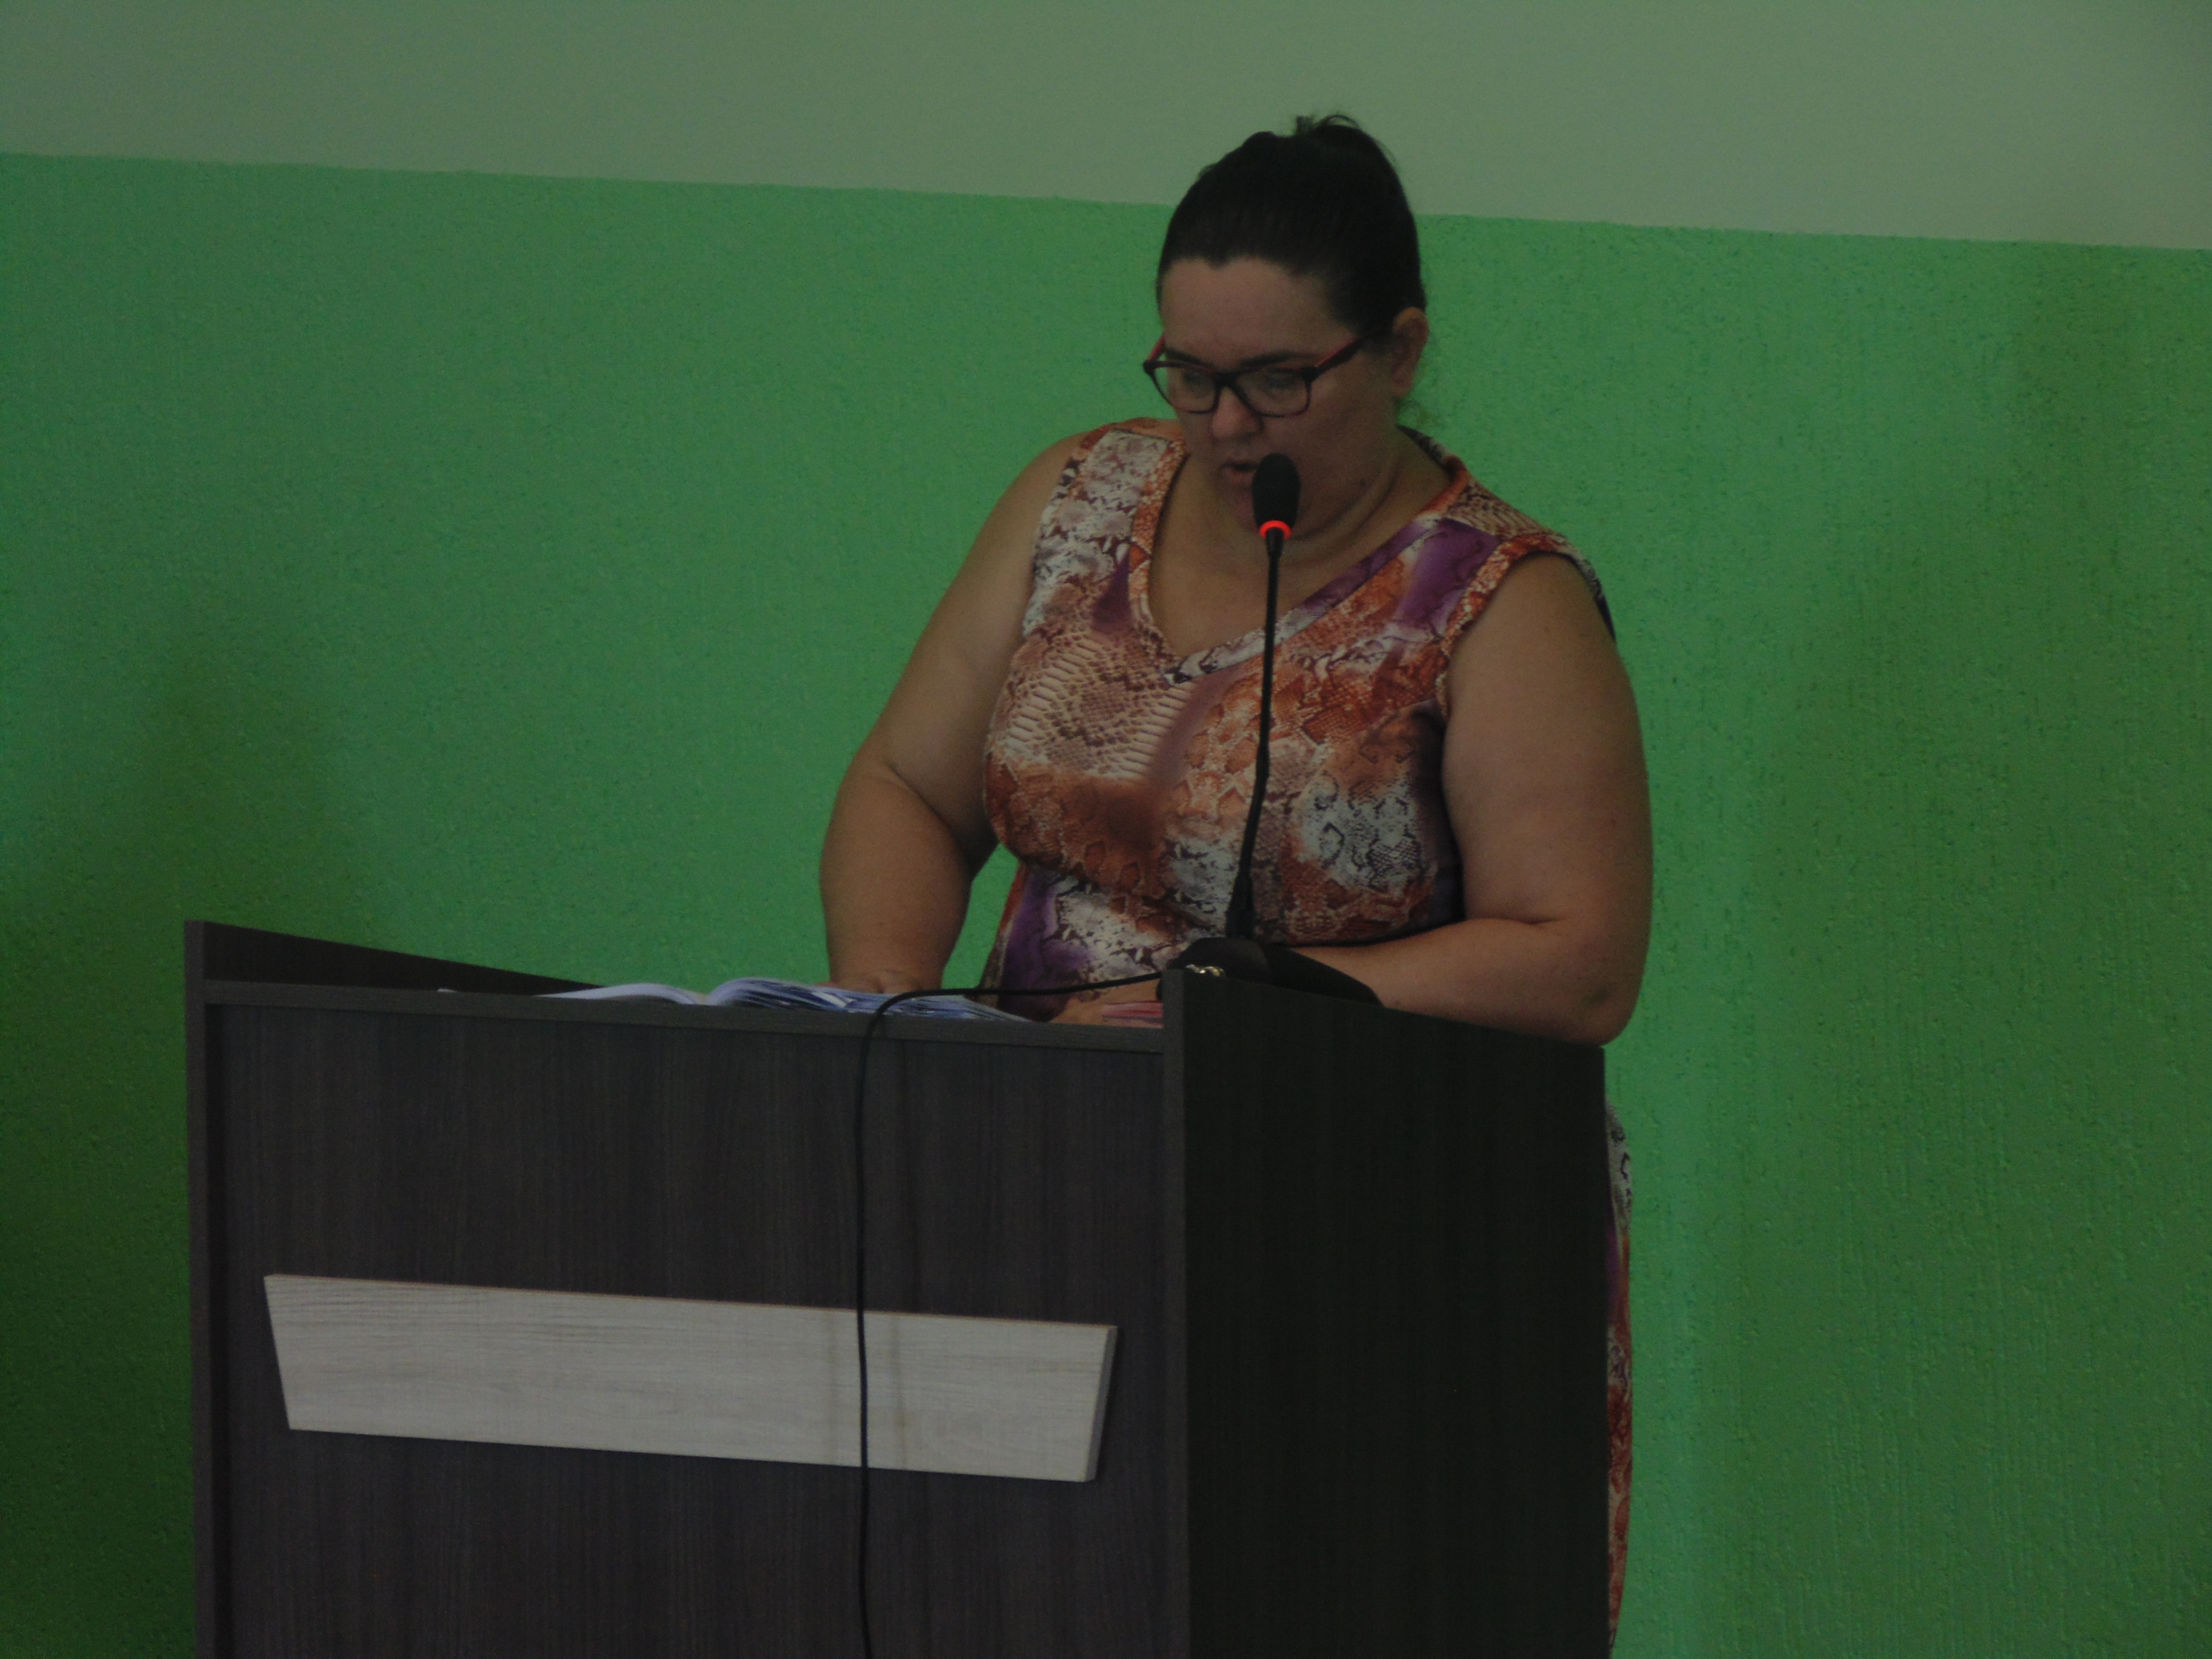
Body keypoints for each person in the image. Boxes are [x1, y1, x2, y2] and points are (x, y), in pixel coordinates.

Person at [819, 114, 1646, 1634]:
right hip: (1040, 1169)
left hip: (1374, 1223)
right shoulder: (1078, 502)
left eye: (1277, 380)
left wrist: (1256, 1000)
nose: (1223, 425)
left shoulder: (1495, 601)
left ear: (1399, 351)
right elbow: (906, 792)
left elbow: (1578, 957)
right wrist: (889, 1025)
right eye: (1188, 376)